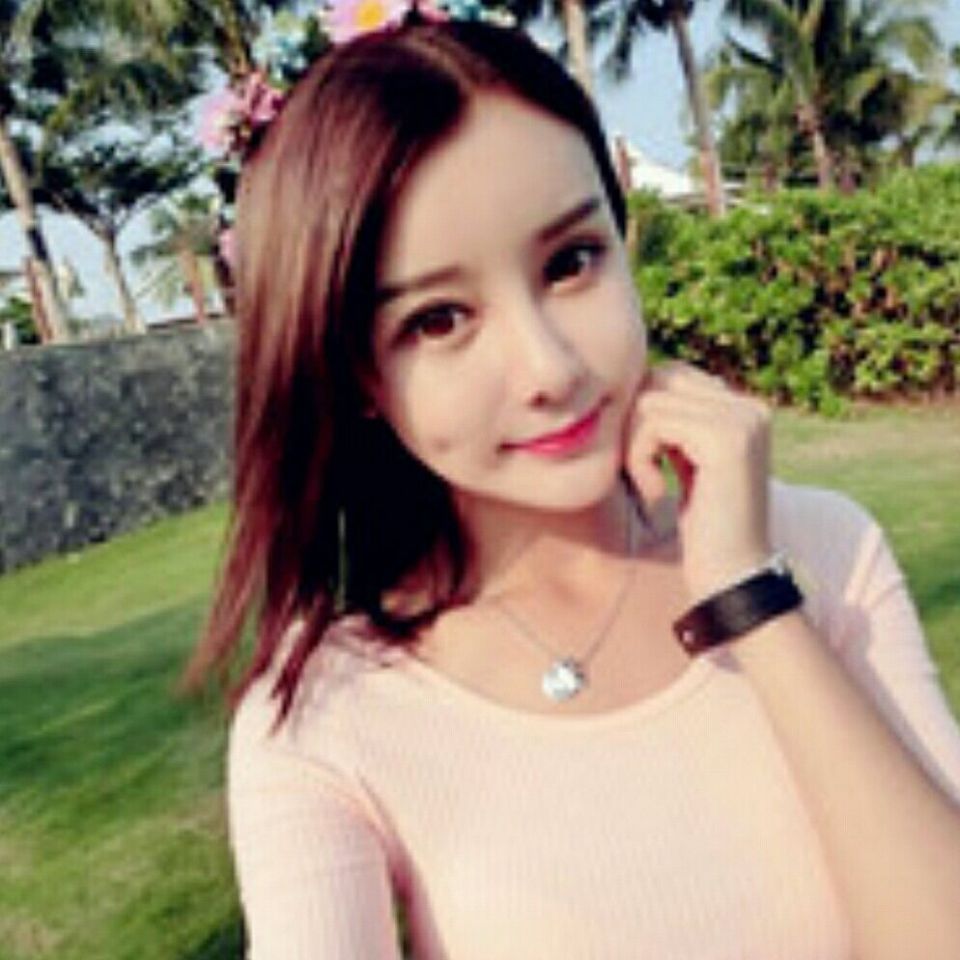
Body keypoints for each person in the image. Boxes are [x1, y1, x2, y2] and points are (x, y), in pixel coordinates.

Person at [186, 15, 960, 960]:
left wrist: (751, 595)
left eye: (569, 263)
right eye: (438, 320)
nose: (549, 367)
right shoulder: (325, 717)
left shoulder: (826, 552)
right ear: (356, 375)